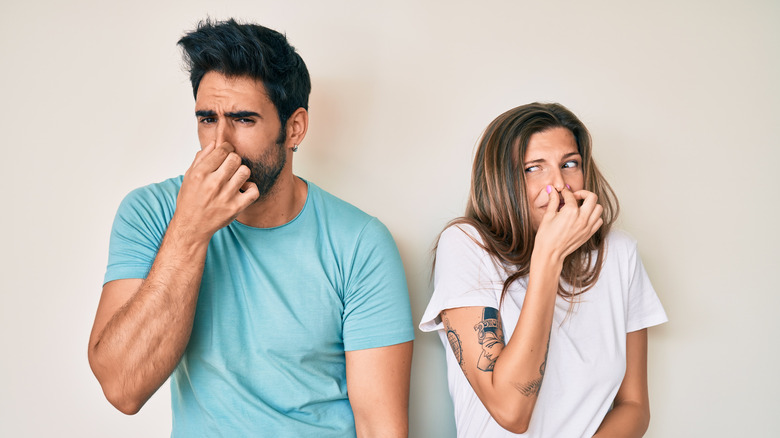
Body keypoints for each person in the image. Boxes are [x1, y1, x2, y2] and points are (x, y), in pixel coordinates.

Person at [88, 19, 414, 437]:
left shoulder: (360, 243)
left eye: (243, 120)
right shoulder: (150, 212)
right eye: (207, 119)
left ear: (294, 128)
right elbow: (122, 388)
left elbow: (380, 426)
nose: (219, 143)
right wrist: (190, 230)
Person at [419, 103, 667, 437]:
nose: (559, 184)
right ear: (502, 180)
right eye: (534, 168)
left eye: (570, 164)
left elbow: (634, 406)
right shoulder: (467, 244)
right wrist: (548, 258)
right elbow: (511, 411)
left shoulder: (619, 253)